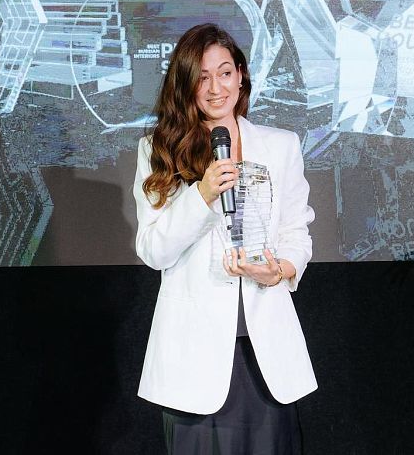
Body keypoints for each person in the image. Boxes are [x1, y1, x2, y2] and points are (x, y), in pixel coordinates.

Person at [134, 23, 317, 454]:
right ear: (185, 84)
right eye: (202, 77)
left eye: (225, 73)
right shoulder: (158, 149)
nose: (216, 88)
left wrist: (279, 271)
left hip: (265, 353)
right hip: (192, 356)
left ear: (241, 76)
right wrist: (201, 195)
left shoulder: (281, 146)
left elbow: (297, 232)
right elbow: (154, 251)